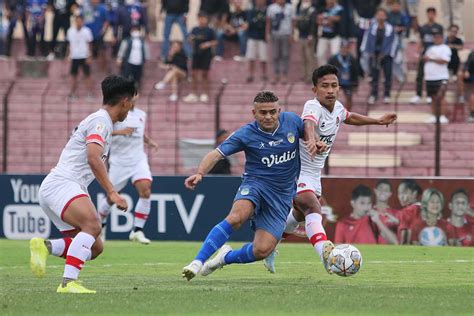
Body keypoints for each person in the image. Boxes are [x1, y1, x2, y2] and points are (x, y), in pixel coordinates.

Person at [181, 90, 320, 281]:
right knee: (236, 218)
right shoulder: (246, 134)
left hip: (281, 197)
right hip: (255, 186)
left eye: (272, 111)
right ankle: (196, 262)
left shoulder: (292, 121)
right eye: (263, 112)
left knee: (262, 250)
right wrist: (200, 173)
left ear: (279, 110)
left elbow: (308, 130)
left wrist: (314, 141)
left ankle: (224, 258)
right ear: (254, 113)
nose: (268, 116)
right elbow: (216, 154)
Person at [271, 64, 397, 273]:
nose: (330, 90)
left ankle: (269, 246)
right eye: (324, 86)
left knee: (299, 216)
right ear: (315, 90)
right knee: (313, 207)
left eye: (334, 86)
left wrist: (377, 121)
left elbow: (350, 117)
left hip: (313, 173)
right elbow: (308, 124)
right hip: (296, 170)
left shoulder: (337, 107)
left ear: (339, 88)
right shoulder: (312, 106)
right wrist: (312, 140)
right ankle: (326, 254)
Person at [29, 75, 136, 293]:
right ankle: (68, 283)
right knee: (93, 225)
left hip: (60, 186)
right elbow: (93, 157)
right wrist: (112, 192)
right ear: (125, 101)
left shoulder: (101, 121)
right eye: (132, 102)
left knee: (95, 247)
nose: (131, 109)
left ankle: (46, 246)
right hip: (63, 184)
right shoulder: (101, 121)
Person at [98, 102, 158, 244]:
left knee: (146, 190)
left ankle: (137, 230)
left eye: (136, 95)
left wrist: (149, 142)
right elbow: (111, 131)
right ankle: (100, 226)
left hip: (138, 159)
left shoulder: (141, 114)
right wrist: (116, 132)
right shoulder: (113, 114)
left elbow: (138, 133)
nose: (134, 98)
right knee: (111, 197)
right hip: (119, 162)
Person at [361, 8, 398, 105]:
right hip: (374, 55)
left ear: (385, 16)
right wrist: (369, 52)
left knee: (387, 76)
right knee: (374, 76)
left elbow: (393, 43)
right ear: (376, 16)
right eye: (379, 14)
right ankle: (374, 95)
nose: (381, 16)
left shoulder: (390, 28)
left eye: (383, 14)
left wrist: (387, 53)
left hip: (386, 55)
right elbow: (367, 41)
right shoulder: (371, 28)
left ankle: (387, 95)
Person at [410, 7, 443, 105]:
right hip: (424, 55)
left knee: (431, 76)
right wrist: (418, 52)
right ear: (427, 14)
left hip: (433, 56)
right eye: (429, 13)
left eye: (433, 13)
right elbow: (421, 40)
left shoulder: (439, 27)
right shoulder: (423, 27)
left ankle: (430, 95)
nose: (431, 15)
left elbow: (440, 41)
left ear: (435, 15)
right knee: (420, 75)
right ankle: (418, 95)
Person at [183, 12, 217, 103]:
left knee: (204, 75)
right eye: (200, 18)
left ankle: (204, 94)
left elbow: (215, 41)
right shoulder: (194, 29)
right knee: (193, 74)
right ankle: (193, 94)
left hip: (206, 55)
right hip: (196, 54)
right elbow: (189, 40)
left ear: (206, 20)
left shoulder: (210, 30)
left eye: (204, 18)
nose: (202, 20)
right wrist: (190, 39)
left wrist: (207, 44)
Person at [423, 29, 451, 124]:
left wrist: (431, 59)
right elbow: (425, 59)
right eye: (434, 37)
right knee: (433, 97)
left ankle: (442, 116)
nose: (436, 39)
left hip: (441, 76)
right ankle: (434, 115)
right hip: (430, 77)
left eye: (438, 37)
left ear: (442, 38)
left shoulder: (445, 48)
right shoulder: (430, 48)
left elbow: (444, 60)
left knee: (441, 97)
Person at [266, 0, 294, 85]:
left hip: (286, 34)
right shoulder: (271, 8)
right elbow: (268, 22)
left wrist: (292, 34)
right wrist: (267, 34)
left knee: (285, 55)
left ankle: (284, 75)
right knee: (275, 55)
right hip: (275, 34)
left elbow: (293, 22)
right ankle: (276, 74)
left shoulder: (290, 8)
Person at [66, 14, 93, 101]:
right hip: (74, 56)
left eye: (80, 21)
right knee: (74, 76)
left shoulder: (87, 31)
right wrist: (68, 55)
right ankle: (73, 94)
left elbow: (90, 44)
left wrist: (90, 56)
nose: (78, 23)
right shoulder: (70, 31)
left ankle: (89, 94)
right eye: (77, 21)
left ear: (83, 22)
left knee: (87, 75)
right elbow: (69, 44)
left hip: (84, 56)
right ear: (75, 21)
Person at [117, 25, 150, 90]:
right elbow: (122, 49)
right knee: (126, 76)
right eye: (134, 30)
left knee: (137, 77)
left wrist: (146, 59)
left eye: (137, 30)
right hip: (129, 62)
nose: (135, 32)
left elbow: (146, 51)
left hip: (139, 62)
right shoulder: (127, 40)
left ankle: (136, 90)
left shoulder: (143, 41)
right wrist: (119, 58)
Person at [328, 40, 358, 111]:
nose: (344, 50)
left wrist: (355, 84)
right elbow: (328, 70)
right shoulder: (334, 58)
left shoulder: (352, 59)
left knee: (349, 97)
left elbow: (355, 72)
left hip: (349, 82)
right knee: (331, 97)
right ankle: (331, 112)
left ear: (349, 49)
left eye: (346, 48)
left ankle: (348, 113)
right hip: (336, 81)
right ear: (340, 48)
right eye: (343, 48)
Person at [82, 0, 109, 72]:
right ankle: (88, 70)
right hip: (88, 36)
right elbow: (82, 20)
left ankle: (104, 69)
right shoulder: (86, 8)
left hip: (98, 35)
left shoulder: (102, 9)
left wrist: (103, 31)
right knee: (88, 52)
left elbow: (106, 21)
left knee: (102, 51)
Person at [245, 0, 267, 83]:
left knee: (263, 58)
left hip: (262, 38)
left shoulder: (267, 11)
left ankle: (264, 74)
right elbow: (250, 23)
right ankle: (250, 75)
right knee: (251, 57)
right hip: (252, 37)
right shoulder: (251, 11)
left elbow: (266, 24)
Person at [315, 0, 343, 67]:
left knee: (335, 55)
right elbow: (318, 20)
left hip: (335, 36)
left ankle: (335, 73)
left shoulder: (339, 9)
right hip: (323, 36)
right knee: (319, 55)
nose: (329, 1)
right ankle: (324, 71)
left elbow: (339, 18)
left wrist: (327, 18)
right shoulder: (322, 9)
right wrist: (326, 22)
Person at [295, 0, 317, 82]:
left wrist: (311, 35)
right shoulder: (299, 9)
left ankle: (311, 75)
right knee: (302, 57)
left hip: (309, 36)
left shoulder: (312, 10)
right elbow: (297, 23)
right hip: (301, 36)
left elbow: (313, 24)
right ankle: (304, 74)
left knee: (309, 57)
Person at [373, 179, 399, 244]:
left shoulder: (397, 214)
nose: (383, 192)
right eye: (380, 189)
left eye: (386, 190)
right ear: (375, 191)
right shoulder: (368, 213)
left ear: (390, 194)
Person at [397, 179, 422, 244]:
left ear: (414, 193)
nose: (401, 197)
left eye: (404, 193)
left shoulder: (405, 211)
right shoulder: (425, 208)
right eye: (399, 193)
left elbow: (404, 238)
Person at [457, 50, 474, 122]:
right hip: (471, 74)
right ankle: (461, 96)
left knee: (473, 97)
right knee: (460, 75)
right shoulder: (472, 53)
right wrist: (466, 71)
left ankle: (472, 114)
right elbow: (467, 64)